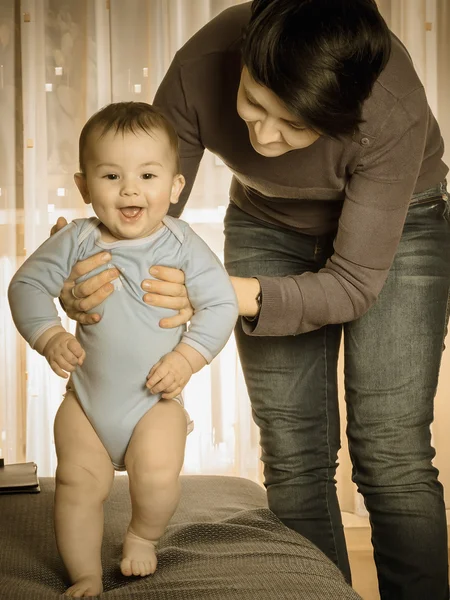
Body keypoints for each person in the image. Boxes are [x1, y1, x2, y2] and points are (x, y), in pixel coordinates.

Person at [50, 1, 450, 598]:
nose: (264, 136)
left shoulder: (388, 106)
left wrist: (215, 293)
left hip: (402, 226)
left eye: (295, 124)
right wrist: (80, 273)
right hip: (267, 221)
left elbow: (352, 285)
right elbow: (140, 217)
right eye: (254, 104)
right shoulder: (203, 64)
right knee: (293, 449)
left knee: (390, 452)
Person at [8, 101, 238, 598]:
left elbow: (220, 304)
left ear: (175, 188)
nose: (130, 188)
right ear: (85, 186)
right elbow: (25, 286)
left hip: (154, 401)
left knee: (156, 475)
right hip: (87, 403)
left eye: (148, 175)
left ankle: (142, 536)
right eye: (111, 175)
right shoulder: (76, 240)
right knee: (74, 486)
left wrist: (186, 358)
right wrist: (49, 334)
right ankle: (86, 574)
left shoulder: (182, 243)